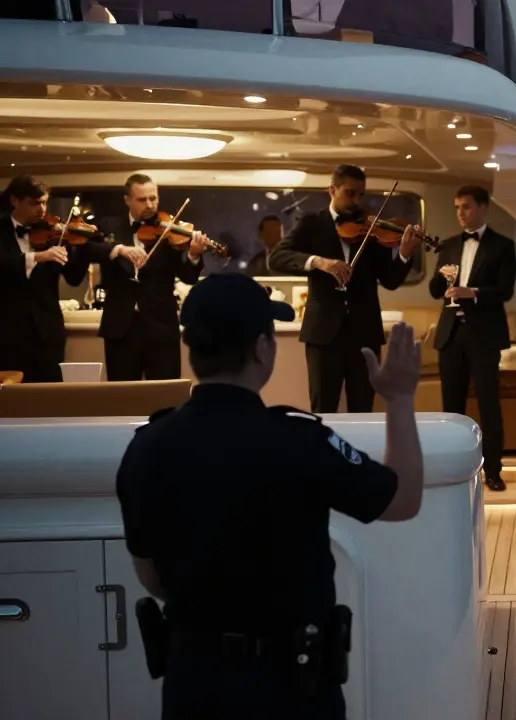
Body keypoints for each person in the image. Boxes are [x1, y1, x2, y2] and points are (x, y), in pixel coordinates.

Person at [115, 272, 426, 719]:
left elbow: (151, 576)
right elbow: (402, 500)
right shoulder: (300, 441)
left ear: (192, 348)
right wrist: (398, 399)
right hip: (290, 688)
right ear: (262, 347)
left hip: (193, 684)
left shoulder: (147, 446)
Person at [267, 165, 423, 413]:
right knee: (323, 406)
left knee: (363, 408)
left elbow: (391, 280)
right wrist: (319, 262)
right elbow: (276, 258)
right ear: (332, 190)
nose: (356, 201)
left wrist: (404, 254)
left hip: (365, 333)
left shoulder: (370, 226)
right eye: (350, 193)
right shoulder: (311, 222)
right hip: (323, 334)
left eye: (360, 195)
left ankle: (359, 453)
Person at [428, 185, 516, 492]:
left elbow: (505, 291)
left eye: (465, 207)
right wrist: (443, 279)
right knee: (450, 408)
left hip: (483, 335)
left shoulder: (503, 245)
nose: (460, 213)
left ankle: (493, 470)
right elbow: (434, 291)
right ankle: (450, 470)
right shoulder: (450, 245)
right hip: (451, 334)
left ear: (482, 207)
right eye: (456, 207)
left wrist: (473, 292)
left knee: (489, 404)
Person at [82, 173, 211, 381]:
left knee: (164, 396)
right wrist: (118, 249)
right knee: (122, 397)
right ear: (127, 200)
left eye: (153, 198)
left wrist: (194, 254)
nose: (149, 205)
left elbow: (188, 277)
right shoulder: (108, 226)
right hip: (120, 330)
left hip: (161, 329)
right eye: (142, 200)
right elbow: (85, 249)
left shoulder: (169, 229)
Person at [0, 175, 94, 382]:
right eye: (34, 203)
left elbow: (74, 278)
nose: (42, 210)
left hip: (47, 334)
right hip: (6, 334)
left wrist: (82, 248)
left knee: (49, 398)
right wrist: (37, 256)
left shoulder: (53, 233)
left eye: (44, 202)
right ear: (15, 201)